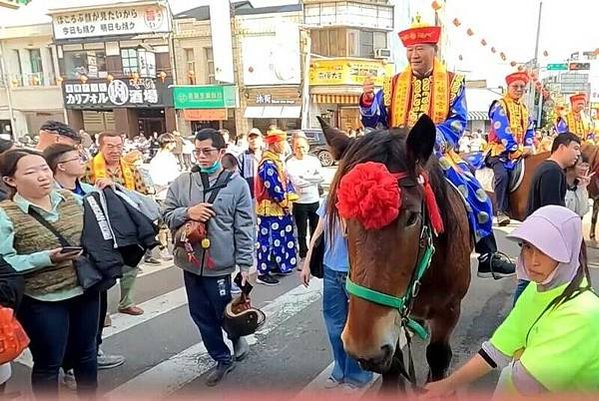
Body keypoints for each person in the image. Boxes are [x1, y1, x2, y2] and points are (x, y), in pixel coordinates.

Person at [359, 18, 515, 278]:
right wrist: (366, 101)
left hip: (436, 152)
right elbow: (375, 122)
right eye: (410, 50)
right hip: (397, 152)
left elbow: (458, 120)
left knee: (471, 189)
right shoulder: (392, 83)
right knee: (361, 189)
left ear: (434, 50)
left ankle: (488, 251)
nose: (414, 54)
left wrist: (432, 142)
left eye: (420, 48)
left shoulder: (453, 82)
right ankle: (344, 250)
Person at [423, 206, 599, 397]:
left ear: (569, 252)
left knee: (478, 200)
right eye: (528, 247)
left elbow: (526, 382)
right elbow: (497, 349)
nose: (533, 261)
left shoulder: (583, 313)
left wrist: (517, 357)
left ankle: (487, 251)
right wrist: (448, 384)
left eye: (546, 250)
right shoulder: (536, 288)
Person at [0, 149, 99, 398]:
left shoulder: (72, 199)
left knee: (87, 354)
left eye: (44, 168)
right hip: (42, 300)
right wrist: (47, 258)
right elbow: (6, 264)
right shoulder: (6, 214)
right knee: (48, 363)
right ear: (10, 181)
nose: (43, 176)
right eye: (31, 172)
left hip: (84, 289)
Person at [162, 128, 254, 387]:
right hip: (189, 261)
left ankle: (236, 335)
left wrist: (245, 265)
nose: (201, 157)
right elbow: (166, 214)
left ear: (221, 152)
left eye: (207, 151)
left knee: (224, 312)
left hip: (220, 263)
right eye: (197, 151)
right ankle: (221, 357)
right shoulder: (182, 182)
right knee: (200, 314)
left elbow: (245, 227)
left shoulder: (237, 186)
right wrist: (188, 212)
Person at [43, 144, 126, 385]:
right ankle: (68, 367)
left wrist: (112, 189)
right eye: (76, 158)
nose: (83, 161)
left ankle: (93, 353)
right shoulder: (49, 196)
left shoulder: (89, 188)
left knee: (95, 317)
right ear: (60, 166)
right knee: (68, 325)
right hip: (65, 271)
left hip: (95, 265)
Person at [300, 200, 373, 391]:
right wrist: (307, 261)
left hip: (354, 273)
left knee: (355, 327)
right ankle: (339, 370)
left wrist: (346, 213)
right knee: (334, 325)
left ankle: (357, 375)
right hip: (331, 270)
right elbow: (318, 231)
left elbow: (347, 233)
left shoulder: (362, 202)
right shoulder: (330, 199)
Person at [84, 131, 147, 316]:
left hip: (127, 225)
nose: (115, 150)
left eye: (118, 146)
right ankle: (101, 313)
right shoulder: (88, 168)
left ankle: (126, 302)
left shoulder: (131, 169)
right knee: (103, 266)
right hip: (101, 226)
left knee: (131, 264)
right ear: (100, 147)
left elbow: (142, 195)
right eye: (110, 146)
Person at [514, 132, 582, 302]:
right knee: (528, 281)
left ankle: (519, 314)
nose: (578, 154)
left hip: (537, 239)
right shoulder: (553, 172)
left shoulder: (549, 169)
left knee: (528, 280)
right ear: (561, 147)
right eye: (575, 148)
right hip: (542, 242)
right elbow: (552, 213)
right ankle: (519, 315)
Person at [486, 72, 535, 226]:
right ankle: (501, 210)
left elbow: (530, 130)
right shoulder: (499, 105)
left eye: (522, 87)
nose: (519, 89)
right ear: (508, 87)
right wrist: (515, 149)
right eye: (516, 86)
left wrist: (528, 146)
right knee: (502, 175)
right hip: (499, 151)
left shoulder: (525, 109)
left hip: (519, 153)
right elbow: (502, 130)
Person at [255, 129, 299, 285]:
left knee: (279, 238)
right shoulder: (267, 163)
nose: (285, 145)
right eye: (282, 142)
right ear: (274, 144)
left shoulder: (275, 161)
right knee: (268, 240)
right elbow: (273, 186)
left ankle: (276, 265)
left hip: (278, 208)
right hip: (270, 210)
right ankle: (263, 271)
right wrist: (284, 203)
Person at [287, 135, 323, 260]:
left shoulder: (314, 161)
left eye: (303, 147)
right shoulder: (290, 163)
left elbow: (320, 177)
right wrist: (311, 179)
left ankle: (315, 255)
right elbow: (296, 182)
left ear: (307, 147)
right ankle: (303, 255)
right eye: (297, 147)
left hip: (314, 200)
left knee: (316, 229)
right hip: (299, 201)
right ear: (293, 148)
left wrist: (304, 178)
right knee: (301, 231)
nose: (300, 150)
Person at [237, 128, 264, 200]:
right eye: (251, 138)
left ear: (261, 139)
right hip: (249, 196)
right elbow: (237, 177)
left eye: (256, 138)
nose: (254, 140)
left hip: (265, 196)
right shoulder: (242, 157)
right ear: (247, 140)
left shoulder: (267, 156)